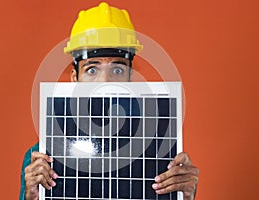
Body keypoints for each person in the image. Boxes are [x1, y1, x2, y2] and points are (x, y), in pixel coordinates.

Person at [20, 2, 199, 200]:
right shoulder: (41, 158)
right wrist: (31, 197)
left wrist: (185, 196)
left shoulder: (160, 154)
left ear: (130, 78)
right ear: (74, 78)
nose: (104, 83)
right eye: (91, 69)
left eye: (117, 70)